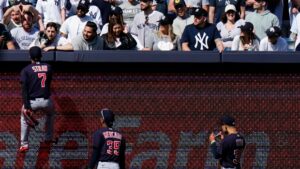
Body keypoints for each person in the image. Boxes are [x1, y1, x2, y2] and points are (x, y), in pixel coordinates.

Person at [19, 46, 55, 153]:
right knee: (50, 114)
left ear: (29, 56)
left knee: (24, 119)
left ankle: (24, 144)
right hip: (46, 101)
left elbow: (24, 89)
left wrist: (26, 106)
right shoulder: (48, 67)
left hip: (32, 101)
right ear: (41, 56)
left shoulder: (26, 69)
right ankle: (48, 138)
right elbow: (48, 83)